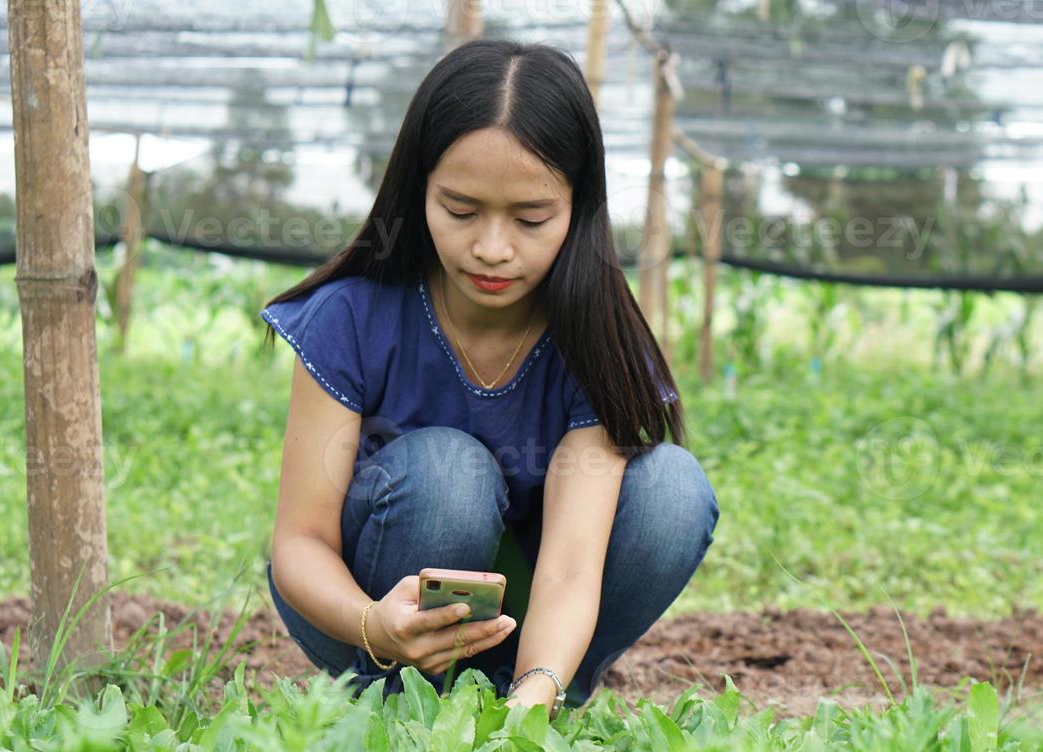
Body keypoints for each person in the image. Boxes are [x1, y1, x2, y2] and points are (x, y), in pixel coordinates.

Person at [259, 38, 720, 716]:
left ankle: (540, 692)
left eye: (532, 218)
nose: (493, 248)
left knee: (673, 491)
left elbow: (567, 569)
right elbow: (299, 544)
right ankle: (397, 697)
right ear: (418, 190)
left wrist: (532, 698)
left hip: (531, 622)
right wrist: (373, 626)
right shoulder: (350, 318)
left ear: (578, 207)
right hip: (368, 615)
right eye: (460, 209)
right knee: (449, 472)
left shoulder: (596, 342)